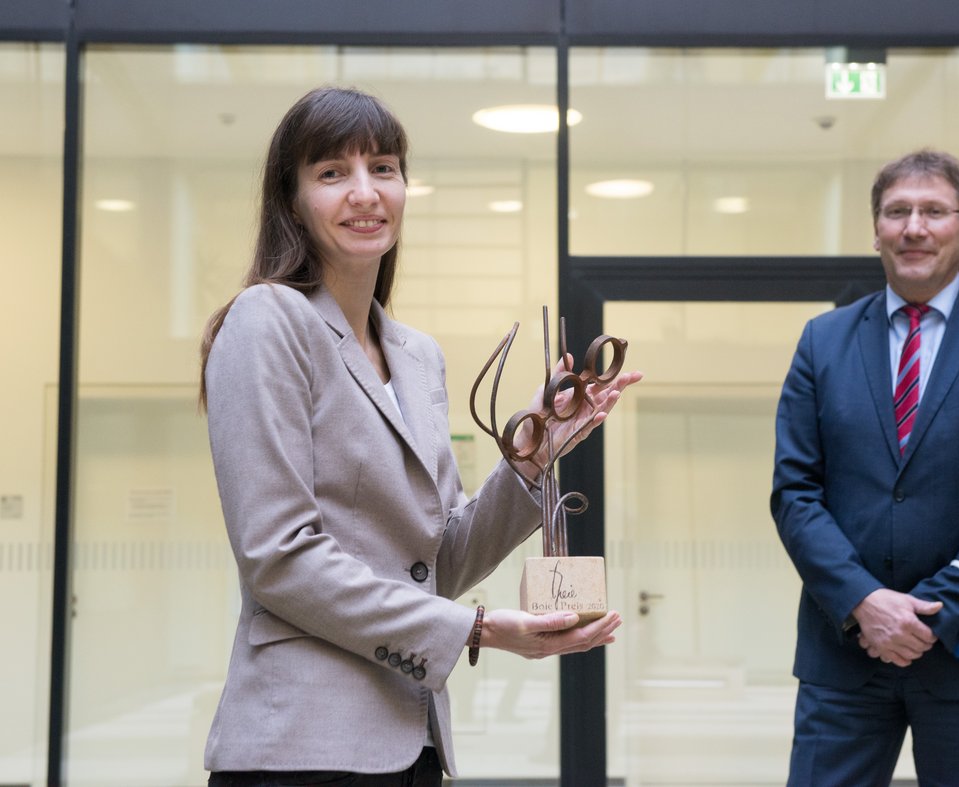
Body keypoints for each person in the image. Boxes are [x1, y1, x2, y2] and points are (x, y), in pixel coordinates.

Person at [198, 86, 640, 786]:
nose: (366, 192)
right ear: (291, 199)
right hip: (300, 749)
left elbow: (434, 561)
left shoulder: (416, 354)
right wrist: (476, 629)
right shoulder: (267, 319)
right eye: (332, 173)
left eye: (383, 167)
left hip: (415, 745)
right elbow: (278, 557)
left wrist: (529, 461)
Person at [770, 149, 959, 786]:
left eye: (934, 211)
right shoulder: (821, 342)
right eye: (896, 211)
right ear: (875, 228)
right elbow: (795, 493)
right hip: (845, 651)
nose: (914, 227)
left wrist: (930, 613)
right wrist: (865, 604)